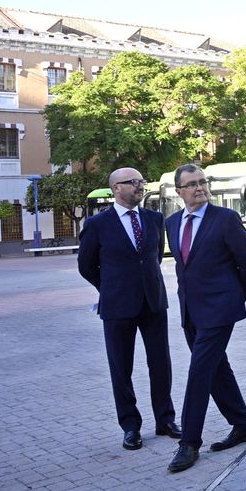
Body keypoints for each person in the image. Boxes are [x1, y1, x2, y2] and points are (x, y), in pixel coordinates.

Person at [164, 164, 246, 473]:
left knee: (200, 371)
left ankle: (189, 442)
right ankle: (243, 425)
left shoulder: (225, 219)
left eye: (202, 182)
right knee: (218, 369)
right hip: (190, 311)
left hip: (219, 310)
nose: (199, 187)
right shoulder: (173, 222)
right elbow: (183, 268)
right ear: (179, 191)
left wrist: (232, 299)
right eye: (191, 184)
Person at [77, 168, 178, 451]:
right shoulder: (98, 224)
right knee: (121, 368)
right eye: (133, 183)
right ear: (115, 189)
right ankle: (130, 426)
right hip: (118, 305)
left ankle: (165, 419)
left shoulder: (154, 219)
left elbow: (155, 257)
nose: (140, 186)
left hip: (153, 302)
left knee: (161, 364)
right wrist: (110, 288)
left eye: (142, 182)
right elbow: (86, 266)